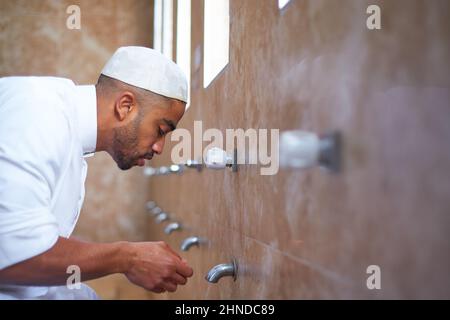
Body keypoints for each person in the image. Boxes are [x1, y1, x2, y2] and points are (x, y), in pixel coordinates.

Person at [0, 46, 193, 299]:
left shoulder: (66, 131)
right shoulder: (38, 113)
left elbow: (34, 258)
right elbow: (13, 253)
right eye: (160, 129)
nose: (159, 147)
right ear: (125, 106)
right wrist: (127, 258)